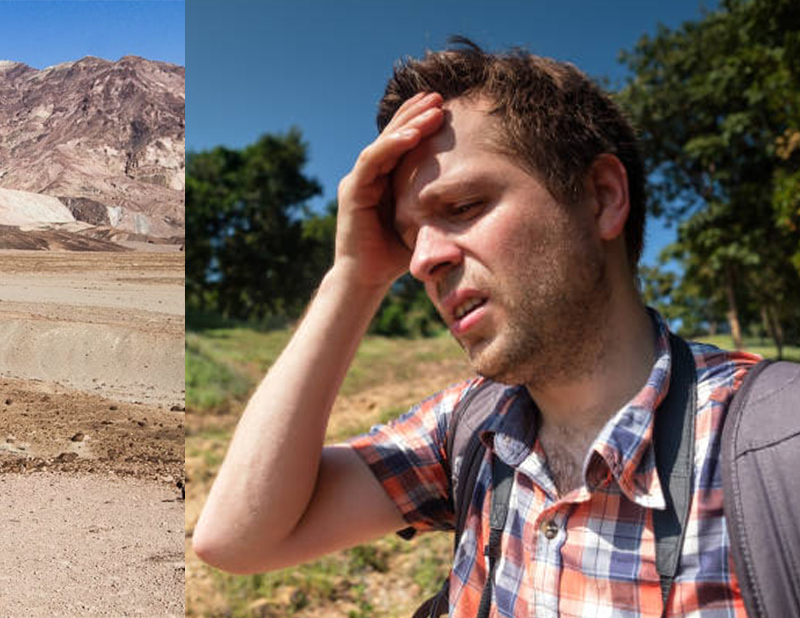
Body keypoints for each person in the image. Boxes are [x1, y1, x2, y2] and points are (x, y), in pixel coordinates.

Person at [192, 39, 763, 616]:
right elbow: (237, 538)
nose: (421, 262)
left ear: (601, 198)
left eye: (463, 206)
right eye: (410, 236)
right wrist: (354, 277)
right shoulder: (470, 428)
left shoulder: (768, 455)